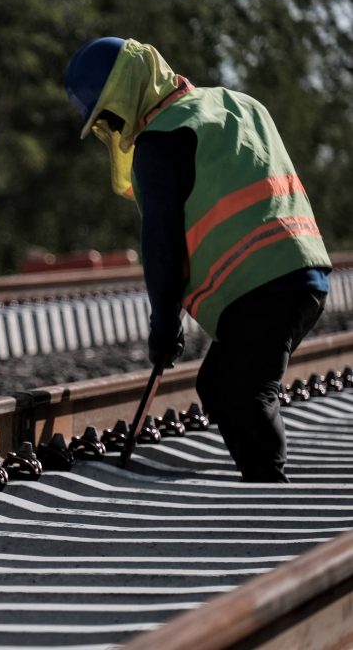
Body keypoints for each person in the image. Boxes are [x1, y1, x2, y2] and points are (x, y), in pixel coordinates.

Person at [64, 37, 331, 482]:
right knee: (222, 382)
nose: (111, 128)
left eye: (108, 115)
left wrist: (164, 326)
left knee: (241, 390)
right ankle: (265, 476)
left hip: (259, 285)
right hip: (306, 273)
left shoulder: (162, 138)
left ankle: (269, 487)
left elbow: (162, 244)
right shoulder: (237, 103)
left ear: (127, 93)